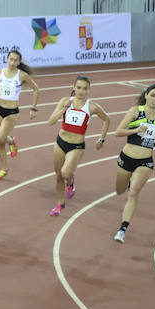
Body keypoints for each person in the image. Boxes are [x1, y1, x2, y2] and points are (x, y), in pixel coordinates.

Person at [113, 83, 155, 243]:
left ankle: (122, 230)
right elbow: (118, 132)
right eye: (152, 95)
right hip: (127, 157)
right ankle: (129, 184)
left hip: (145, 161)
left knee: (133, 192)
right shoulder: (135, 111)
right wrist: (135, 130)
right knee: (120, 190)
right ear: (146, 95)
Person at [46, 75, 110, 216]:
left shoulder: (92, 106)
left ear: (89, 90)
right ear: (73, 87)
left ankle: (71, 182)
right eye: (79, 87)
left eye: (85, 88)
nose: (81, 91)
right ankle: (60, 203)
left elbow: (107, 119)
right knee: (58, 175)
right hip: (60, 142)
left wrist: (102, 139)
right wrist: (63, 109)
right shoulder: (65, 101)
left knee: (65, 173)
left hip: (76, 146)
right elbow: (50, 121)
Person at [0, 49, 40, 181]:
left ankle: (6, 157)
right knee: (0, 140)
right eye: (11, 59)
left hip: (11, 112)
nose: (13, 62)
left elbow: (36, 89)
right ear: (7, 59)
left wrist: (33, 108)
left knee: (0, 137)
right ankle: (7, 156)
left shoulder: (22, 75)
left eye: (15, 60)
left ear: (19, 62)